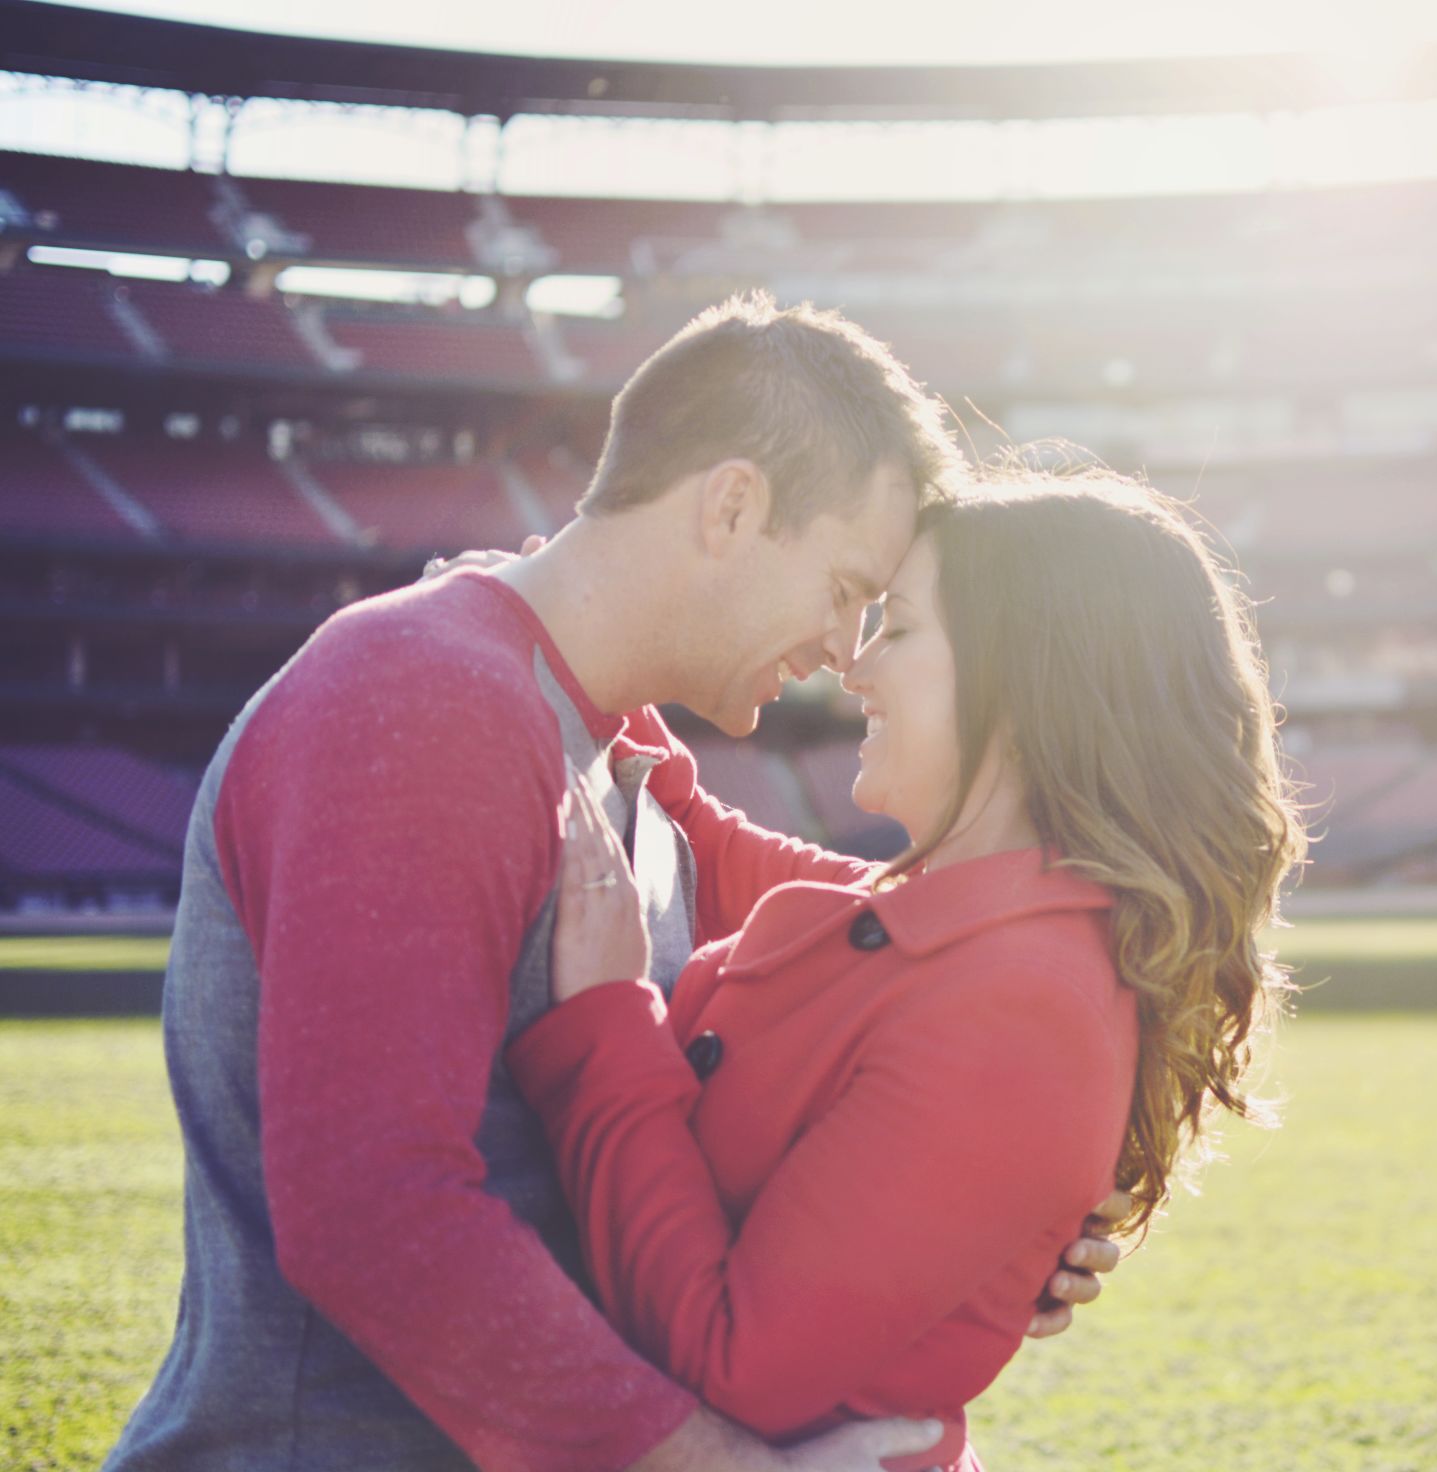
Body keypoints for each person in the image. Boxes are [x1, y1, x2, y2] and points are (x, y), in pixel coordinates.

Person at [108, 296, 1122, 1472]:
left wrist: (993, 1197)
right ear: (732, 507)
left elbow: (929, 954)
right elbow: (375, 1215)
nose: (847, 652)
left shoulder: (610, 748)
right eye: (846, 587)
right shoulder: (420, 698)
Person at [505, 475, 1308, 1472]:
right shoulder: (969, 920)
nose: (856, 663)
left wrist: (603, 1028)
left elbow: (735, 1358)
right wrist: (561, 632)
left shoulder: (1025, 1007)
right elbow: (713, 854)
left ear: (1020, 685)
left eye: (902, 628)